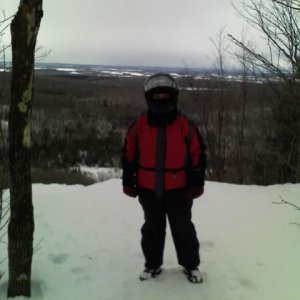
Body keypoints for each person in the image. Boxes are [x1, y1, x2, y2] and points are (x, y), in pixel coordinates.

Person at [121, 73, 206, 283]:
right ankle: (152, 265)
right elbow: (128, 153)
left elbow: (198, 154)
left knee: (183, 228)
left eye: (165, 95)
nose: (160, 100)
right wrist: (127, 179)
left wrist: (197, 181)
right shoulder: (139, 123)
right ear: (149, 97)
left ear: (173, 96)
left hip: (180, 189)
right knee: (152, 228)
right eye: (156, 95)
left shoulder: (185, 124)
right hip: (148, 188)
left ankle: (191, 265)